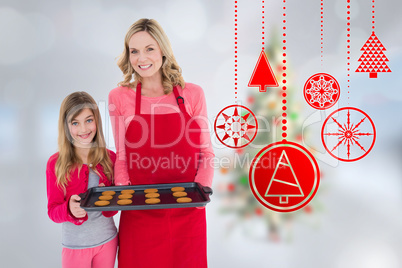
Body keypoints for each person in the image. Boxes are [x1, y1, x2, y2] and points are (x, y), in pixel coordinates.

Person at [109, 18, 214, 267]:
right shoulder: (120, 97)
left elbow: (207, 153)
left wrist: (201, 192)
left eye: (149, 49)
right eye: (134, 51)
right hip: (140, 211)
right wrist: (124, 193)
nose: (141, 58)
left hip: (188, 209)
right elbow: (122, 156)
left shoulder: (192, 93)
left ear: (163, 51)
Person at [46, 92, 118, 268]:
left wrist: (109, 198)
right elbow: (52, 211)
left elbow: (114, 209)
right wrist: (69, 209)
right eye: (75, 123)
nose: (84, 129)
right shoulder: (56, 163)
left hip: (108, 241)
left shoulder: (111, 159)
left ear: (97, 121)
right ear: (66, 126)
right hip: (75, 246)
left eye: (88, 120)